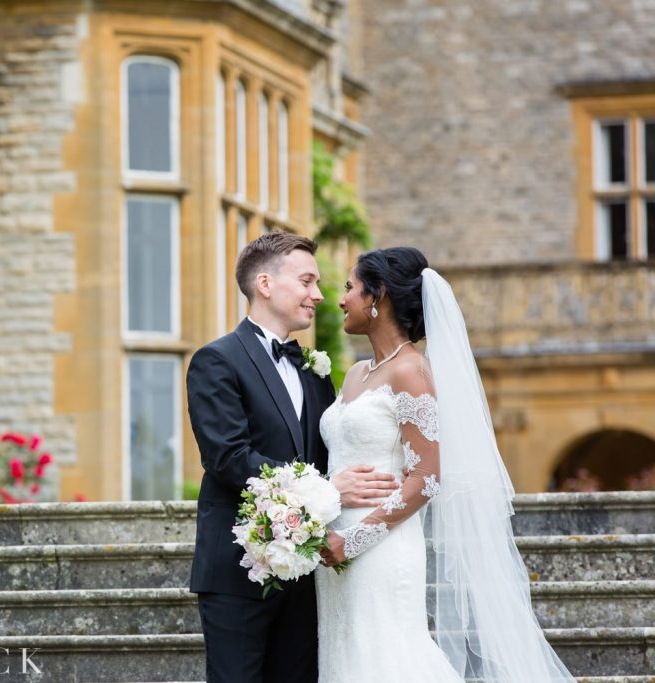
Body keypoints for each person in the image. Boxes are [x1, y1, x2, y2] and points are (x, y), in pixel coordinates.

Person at [316, 247, 574, 682]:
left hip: (379, 549)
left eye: (350, 288)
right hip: (334, 549)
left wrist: (352, 540)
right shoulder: (356, 373)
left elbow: (426, 477)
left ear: (377, 297)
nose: (341, 299)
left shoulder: (412, 372)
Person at [186, 232, 399, 683]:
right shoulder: (216, 361)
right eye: (307, 281)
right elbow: (229, 458)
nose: (319, 295)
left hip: (306, 571)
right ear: (265, 284)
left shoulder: (313, 371)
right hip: (237, 569)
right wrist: (324, 489)